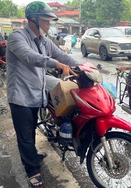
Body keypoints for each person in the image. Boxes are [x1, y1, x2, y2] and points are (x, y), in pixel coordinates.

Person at [6, 1, 80, 187]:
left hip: (37, 93)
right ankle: (32, 171)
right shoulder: (17, 37)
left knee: (31, 129)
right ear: (33, 19)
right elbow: (30, 57)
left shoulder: (45, 41)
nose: (49, 25)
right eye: (46, 21)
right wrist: (57, 65)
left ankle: (32, 155)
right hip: (20, 95)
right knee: (24, 134)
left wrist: (82, 67)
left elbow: (61, 55)